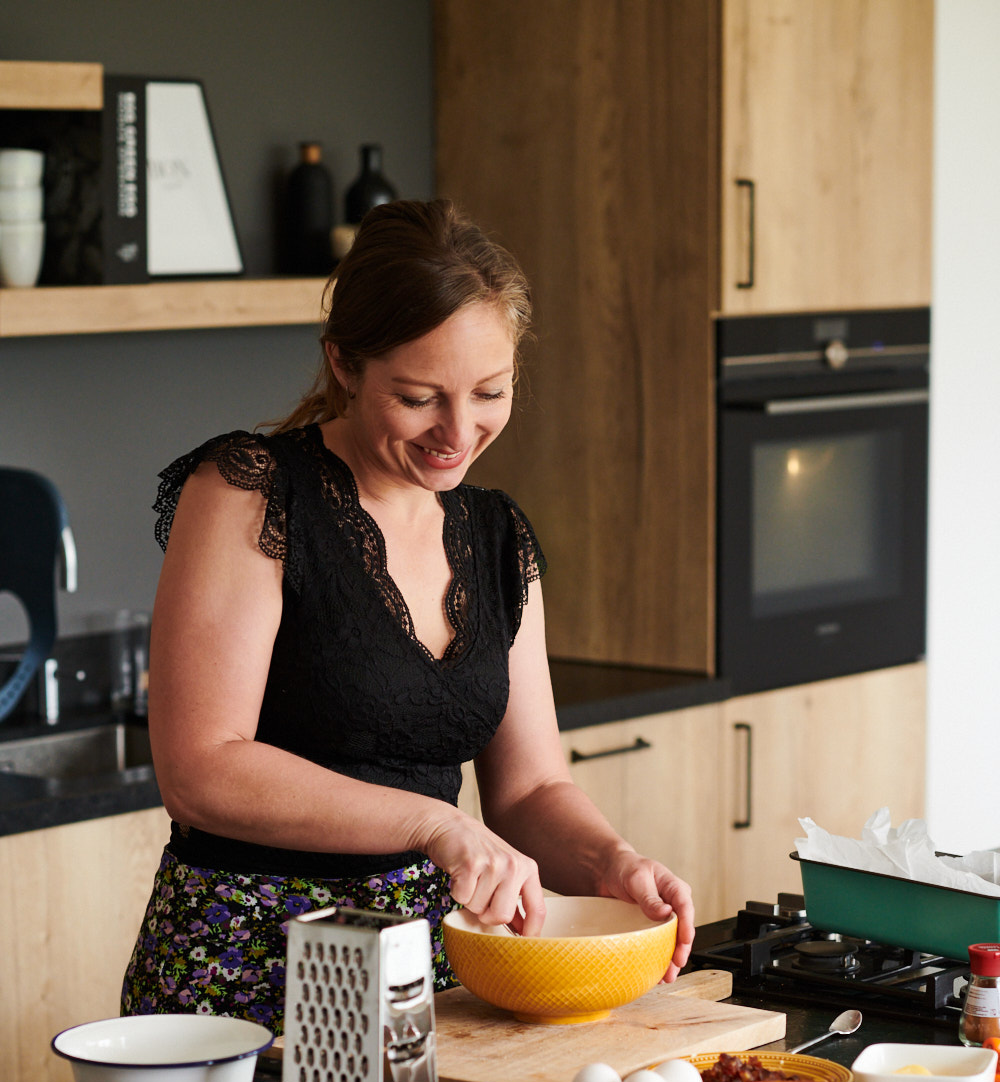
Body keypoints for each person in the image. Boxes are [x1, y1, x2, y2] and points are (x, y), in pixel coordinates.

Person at [121, 199, 694, 1033]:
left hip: (428, 983)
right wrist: (432, 822)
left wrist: (612, 862)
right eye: (420, 397)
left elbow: (531, 787)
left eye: (490, 392)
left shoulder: (498, 537)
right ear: (344, 365)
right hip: (241, 975)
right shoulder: (249, 491)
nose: (458, 433)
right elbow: (201, 768)